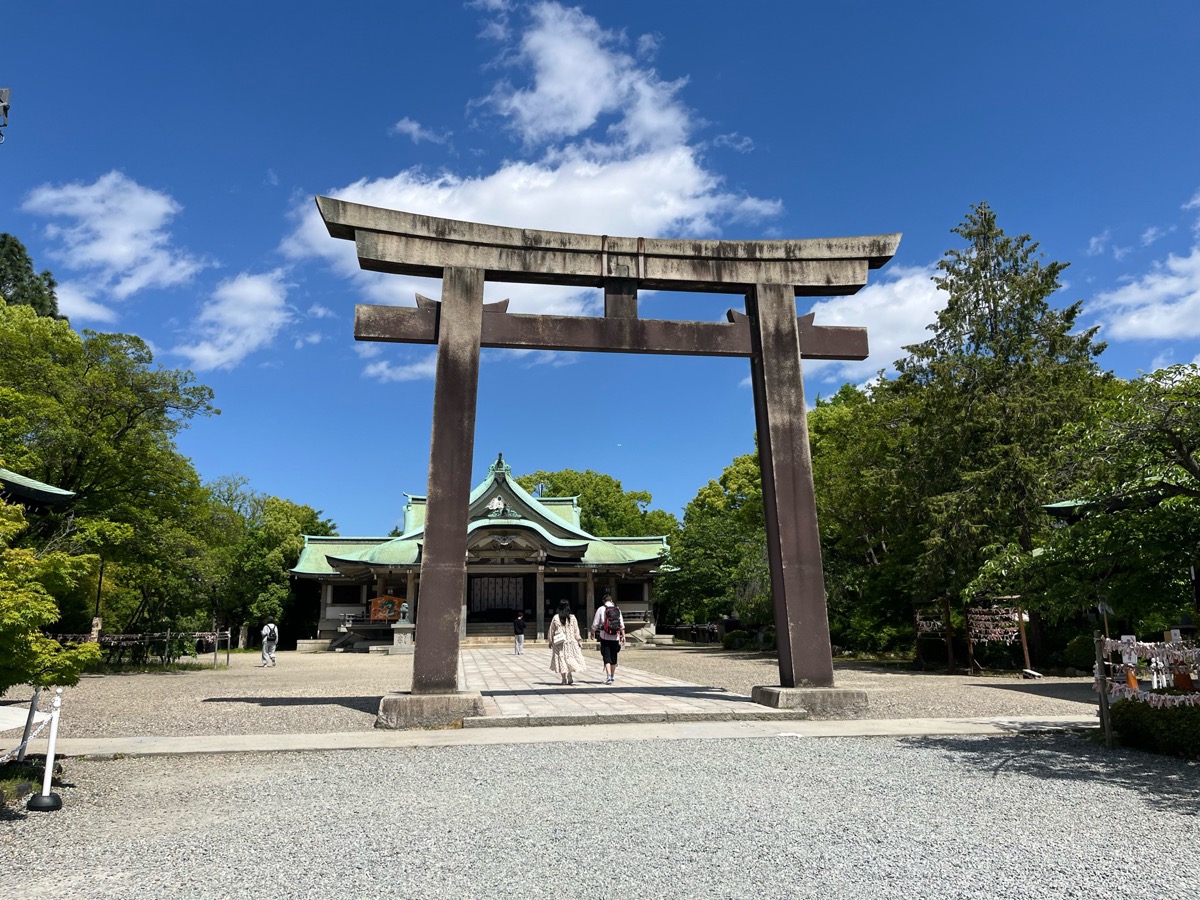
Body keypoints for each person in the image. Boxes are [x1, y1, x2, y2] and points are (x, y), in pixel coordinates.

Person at [547, 601, 585, 684]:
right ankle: (569, 674)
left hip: (559, 643)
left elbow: (551, 630)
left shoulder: (556, 617)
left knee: (561, 659)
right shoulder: (573, 617)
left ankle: (563, 679)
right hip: (570, 642)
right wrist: (579, 640)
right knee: (569, 658)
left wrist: (550, 641)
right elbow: (576, 630)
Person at [591, 593, 625, 685]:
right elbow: (621, 624)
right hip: (616, 637)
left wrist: (592, 633)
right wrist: (623, 636)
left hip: (605, 636)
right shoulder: (617, 609)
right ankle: (613, 676)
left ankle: (608, 676)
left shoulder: (601, 609)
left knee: (607, 657)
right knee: (614, 657)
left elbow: (595, 624)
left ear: (604, 601)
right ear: (611, 600)